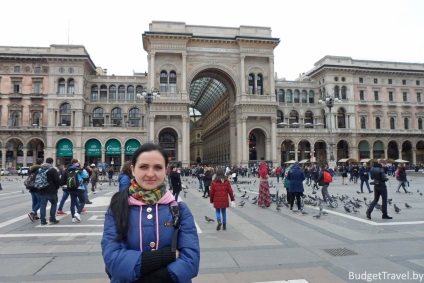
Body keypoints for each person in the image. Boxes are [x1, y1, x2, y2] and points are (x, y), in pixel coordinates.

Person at [101, 143, 200, 282]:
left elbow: (191, 262)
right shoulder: (117, 208)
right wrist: (167, 256)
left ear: (166, 170)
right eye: (143, 167)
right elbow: (113, 261)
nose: (150, 174)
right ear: (133, 169)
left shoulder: (180, 210)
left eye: (158, 167)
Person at [38, 157, 61, 225]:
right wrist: (56, 187)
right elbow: (57, 180)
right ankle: (52, 219)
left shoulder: (40, 169)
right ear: (52, 162)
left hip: (42, 190)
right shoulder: (53, 170)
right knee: (54, 204)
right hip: (52, 190)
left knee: (43, 205)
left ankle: (42, 221)